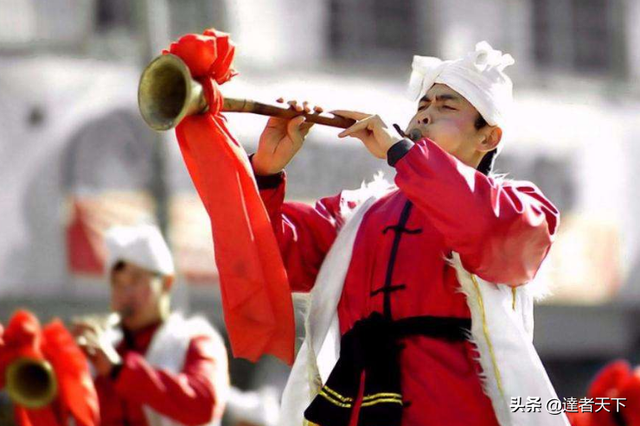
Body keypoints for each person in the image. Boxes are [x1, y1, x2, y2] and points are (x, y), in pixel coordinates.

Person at [251, 42, 566, 426]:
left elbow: (492, 235)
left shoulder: (518, 206)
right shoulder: (356, 213)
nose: (425, 116)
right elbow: (266, 258)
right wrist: (264, 173)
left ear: (488, 138)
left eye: (446, 107)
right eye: (422, 106)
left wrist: (404, 154)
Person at [74, 224, 229, 426]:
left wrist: (120, 370)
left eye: (135, 280)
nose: (125, 294)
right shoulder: (105, 349)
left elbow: (204, 404)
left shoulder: (195, 338)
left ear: (167, 282)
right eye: (117, 283)